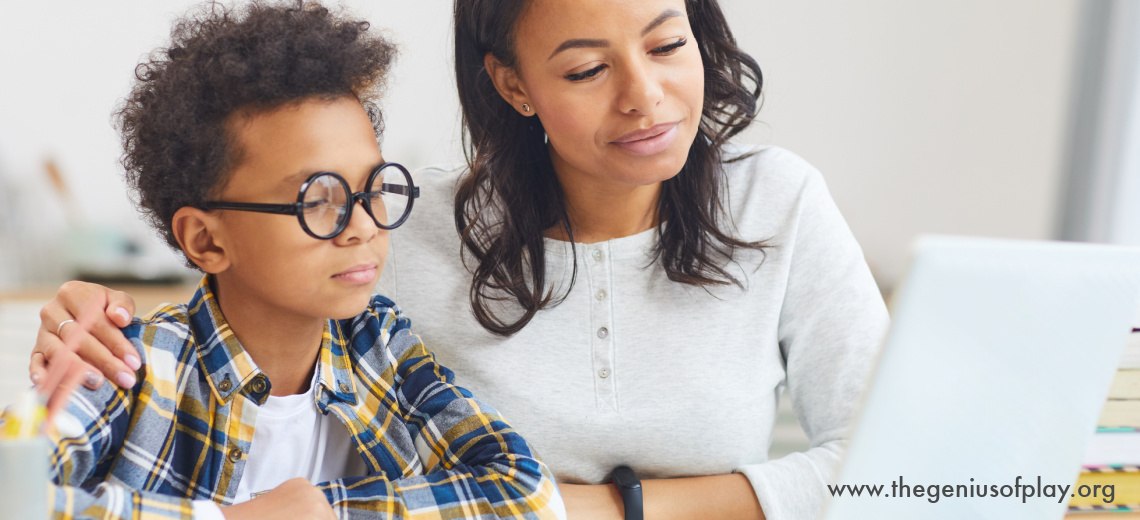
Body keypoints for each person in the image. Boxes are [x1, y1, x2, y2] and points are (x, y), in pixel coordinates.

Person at [32, 0, 889, 518]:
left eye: (669, 44)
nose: (646, 96)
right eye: (588, 68)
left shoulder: (780, 203)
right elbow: (256, 275)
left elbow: (906, 478)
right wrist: (97, 317)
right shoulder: (405, 237)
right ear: (512, 85)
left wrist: (607, 511)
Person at [23, 2, 564, 519]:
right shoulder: (129, 367)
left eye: (371, 188)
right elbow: (11, 494)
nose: (363, 226)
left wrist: (325, 510)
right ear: (207, 240)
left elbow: (527, 494)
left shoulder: (380, 347)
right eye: (316, 199)